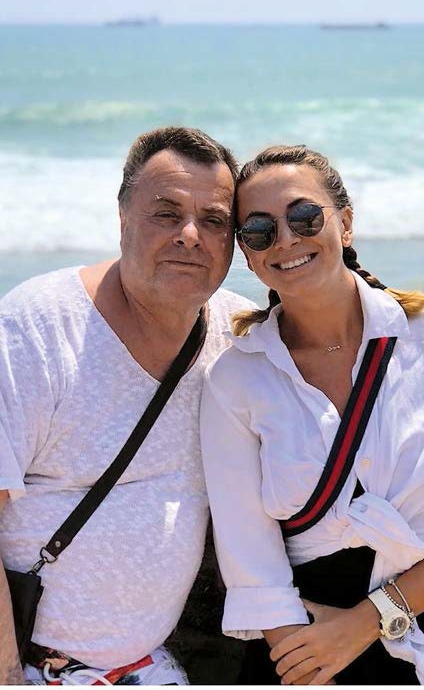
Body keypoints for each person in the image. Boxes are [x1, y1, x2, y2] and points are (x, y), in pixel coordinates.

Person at [0, 126, 255, 685]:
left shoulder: (241, 338)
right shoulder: (37, 327)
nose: (190, 235)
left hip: (153, 665)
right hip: (35, 668)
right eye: (166, 213)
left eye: (214, 221)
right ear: (122, 218)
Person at [200, 144, 424, 685]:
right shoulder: (235, 378)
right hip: (302, 644)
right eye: (259, 230)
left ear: (346, 223)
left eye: (304, 216)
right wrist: (311, 665)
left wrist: (366, 623)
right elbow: (251, 561)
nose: (286, 239)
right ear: (247, 253)